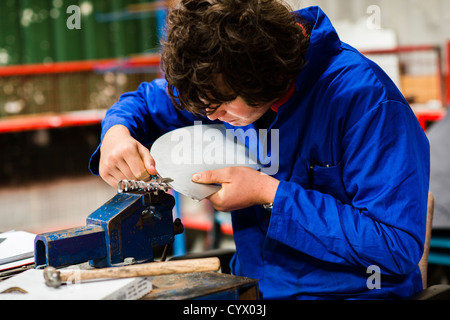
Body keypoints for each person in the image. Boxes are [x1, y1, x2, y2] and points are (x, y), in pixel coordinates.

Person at [89, 0, 430, 299]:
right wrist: (116, 133)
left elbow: (395, 246)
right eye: (204, 109)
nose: (209, 116)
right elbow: (144, 103)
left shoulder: (365, 101)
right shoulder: (223, 77)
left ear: (262, 73)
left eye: (218, 107)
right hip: (258, 289)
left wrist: (269, 193)